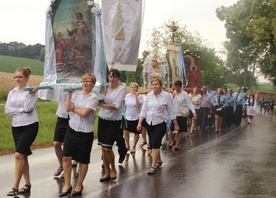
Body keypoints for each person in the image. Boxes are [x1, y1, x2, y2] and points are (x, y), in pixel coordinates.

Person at [60, 73, 99, 196]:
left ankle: (79, 184)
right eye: (83, 81)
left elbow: (85, 113)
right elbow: (67, 108)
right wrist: (69, 95)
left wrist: (74, 109)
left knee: (83, 160)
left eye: (88, 81)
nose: (85, 83)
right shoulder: (75, 94)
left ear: (93, 84)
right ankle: (67, 184)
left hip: (85, 132)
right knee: (66, 157)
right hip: (71, 129)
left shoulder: (94, 98)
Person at [5, 67, 39, 196]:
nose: (18, 79)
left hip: (30, 125)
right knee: (23, 155)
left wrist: (30, 95)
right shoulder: (12, 92)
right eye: (16, 77)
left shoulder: (32, 91)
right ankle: (27, 183)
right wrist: (20, 110)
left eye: (20, 77)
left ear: (27, 78)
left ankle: (15, 186)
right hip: (16, 126)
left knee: (18, 155)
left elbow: (28, 108)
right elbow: (7, 110)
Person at [137, 77, 179, 175]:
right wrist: (140, 122)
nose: (154, 86)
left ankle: (153, 166)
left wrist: (175, 123)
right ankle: (158, 160)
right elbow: (144, 110)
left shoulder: (166, 96)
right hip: (149, 122)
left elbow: (171, 110)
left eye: (156, 84)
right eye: (153, 84)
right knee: (153, 143)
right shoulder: (149, 96)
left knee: (155, 142)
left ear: (161, 85)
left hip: (160, 122)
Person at [97, 69, 127, 182]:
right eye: (110, 76)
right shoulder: (106, 88)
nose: (112, 79)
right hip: (103, 118)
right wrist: (102, 101)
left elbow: (117, 105)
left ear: (118, 78)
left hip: (114, 120)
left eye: (114, 76)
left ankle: (113, 169)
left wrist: (104, 105)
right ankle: (107, 171)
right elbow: (99, 100)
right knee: (103, 148)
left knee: (107, 147)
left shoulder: (122, 89)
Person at [53, 102, 78, 179]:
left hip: (74, 116)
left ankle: (68, 169)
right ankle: (62, 165)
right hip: (62, 116)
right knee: (56, 143)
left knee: (71, 144)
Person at [168, 80, 196, 150]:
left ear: (180, 87)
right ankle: (172, 141)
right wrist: (172, 95)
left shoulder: (184, 94)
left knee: (180, 130)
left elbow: (189, 103)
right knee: (172, 130)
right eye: (175, 87)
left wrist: (194, 112)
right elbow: (168, 103)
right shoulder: (171, 94)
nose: (176, 89)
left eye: (178, 87)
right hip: (173, 114)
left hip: (181, 114)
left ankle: (177, 144)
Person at [123, 82, 144, 153]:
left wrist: (136, 97)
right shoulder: (127, 96)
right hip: (128, 116)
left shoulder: (140, 96)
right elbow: (125, 106)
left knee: (136, 132)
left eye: (134, 87)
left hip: (136, 116)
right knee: (126, 131)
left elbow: (138, 105)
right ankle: (127, 145)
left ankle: (134, 146)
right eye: (132, 87)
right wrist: (124, 114)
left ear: (137, 89)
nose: (133, 88)